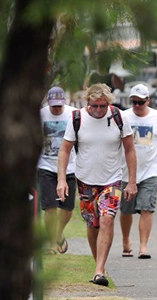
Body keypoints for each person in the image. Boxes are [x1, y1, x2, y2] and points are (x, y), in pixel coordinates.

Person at [57, 83, 138, 287]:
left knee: (107, 220)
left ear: (108, 103)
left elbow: (130, 149)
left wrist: (132, 182)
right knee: (92, 225)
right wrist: (60, 180)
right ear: (88, 103)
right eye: (95, 106)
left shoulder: (119, 117)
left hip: (112, 180)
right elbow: (65, 150)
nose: (99, 110)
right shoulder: (77, 118)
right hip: (85, 181)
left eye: (103, 106)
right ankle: (98, 266)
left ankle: (100, 269)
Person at [120, 84, 157, 259]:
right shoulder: (123, 116)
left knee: (146, 208)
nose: (137, 106)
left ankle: (144, 246)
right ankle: (126, 240)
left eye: (141, 102)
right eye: (134, 102)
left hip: (150, 171)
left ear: (148, 100)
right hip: (125, 172)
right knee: (126, 210)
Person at [38, 86, 77, 255]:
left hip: (71, 166)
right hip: (46, 165)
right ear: (48, 102)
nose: (56, 109)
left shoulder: (74, 114)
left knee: (67, 208)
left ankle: (59, 232)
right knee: (50, 207)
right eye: (53, 106)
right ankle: (53, 244)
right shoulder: (41, 115)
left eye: (59, 106)